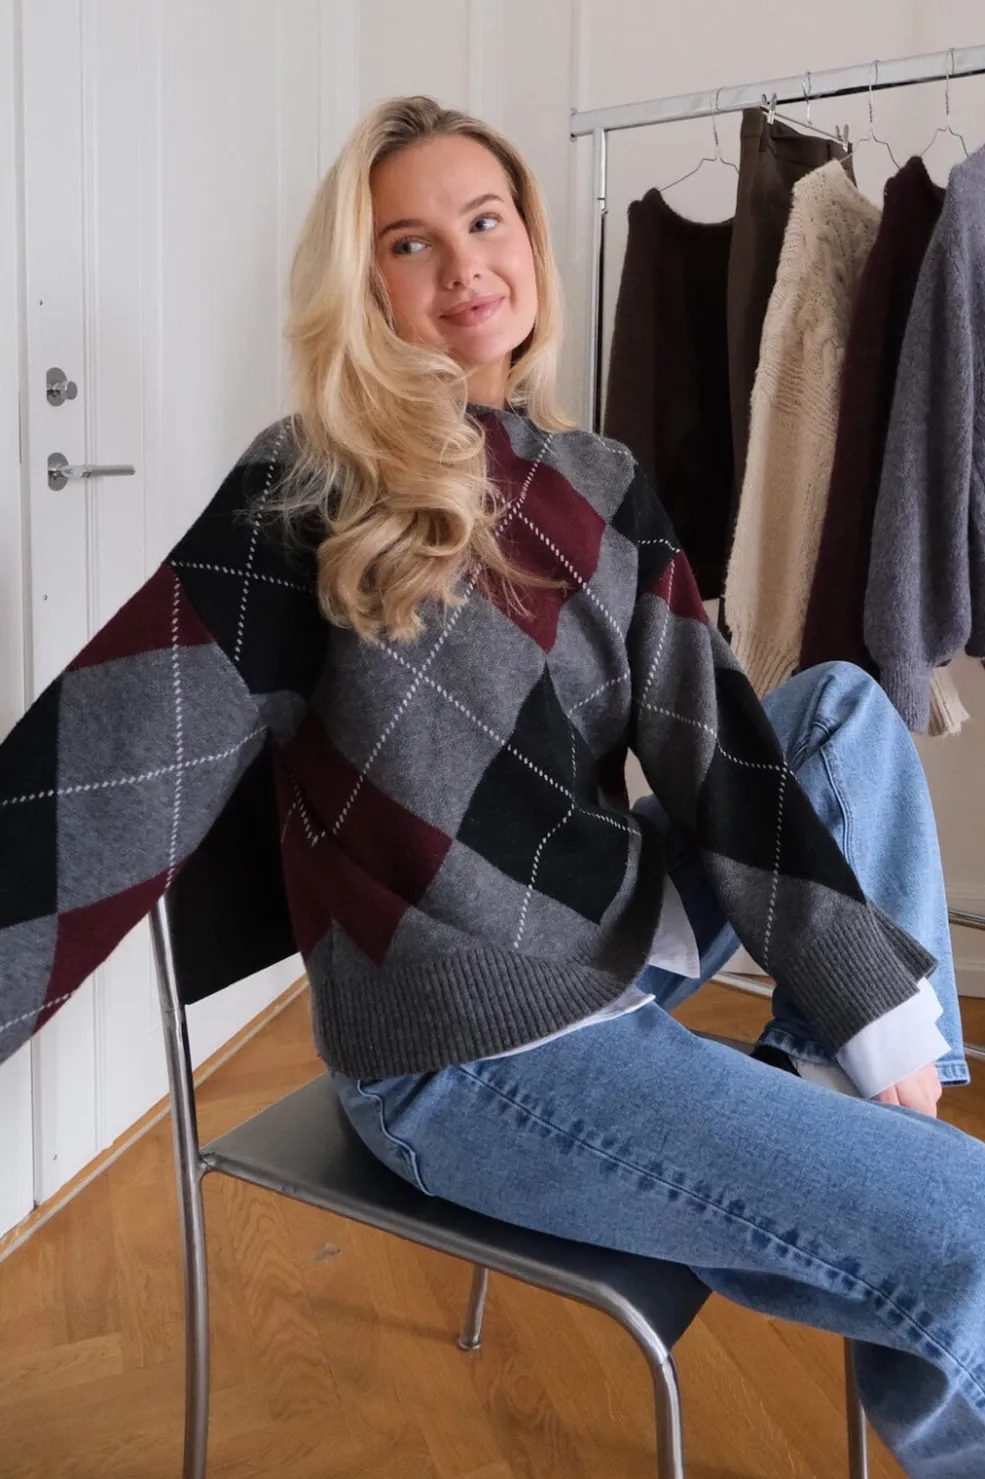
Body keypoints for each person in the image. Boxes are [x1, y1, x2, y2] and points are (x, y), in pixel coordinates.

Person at [0, 95, 982, 1475]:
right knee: (969, 1226)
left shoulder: (600, 480)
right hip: (463, 1052)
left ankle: (859, 1082)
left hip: (598, 939)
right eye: (410, 242)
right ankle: (884, 1164)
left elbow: (718, 747)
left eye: (485, 220)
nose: (463, 264)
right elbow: (112, 761)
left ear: (530, 243)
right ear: (364, 286)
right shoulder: (310, 487)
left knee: (838, 712)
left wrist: (869, 1012)